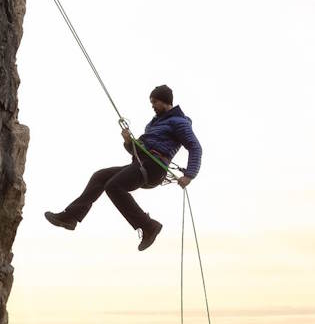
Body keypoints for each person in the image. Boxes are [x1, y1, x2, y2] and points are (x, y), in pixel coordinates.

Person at [44, 85, 203, 251]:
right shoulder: (155, 123)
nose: (152, 105)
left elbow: (195, 147)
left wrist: (190, 175)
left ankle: (148, 226)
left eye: (154, 102)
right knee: (100, 176)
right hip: (142, 164)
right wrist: (129, 142)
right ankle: (71, 217)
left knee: (114, 186)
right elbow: (137, 152)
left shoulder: (179, 122)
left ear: (165, 101)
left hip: (154, 167)